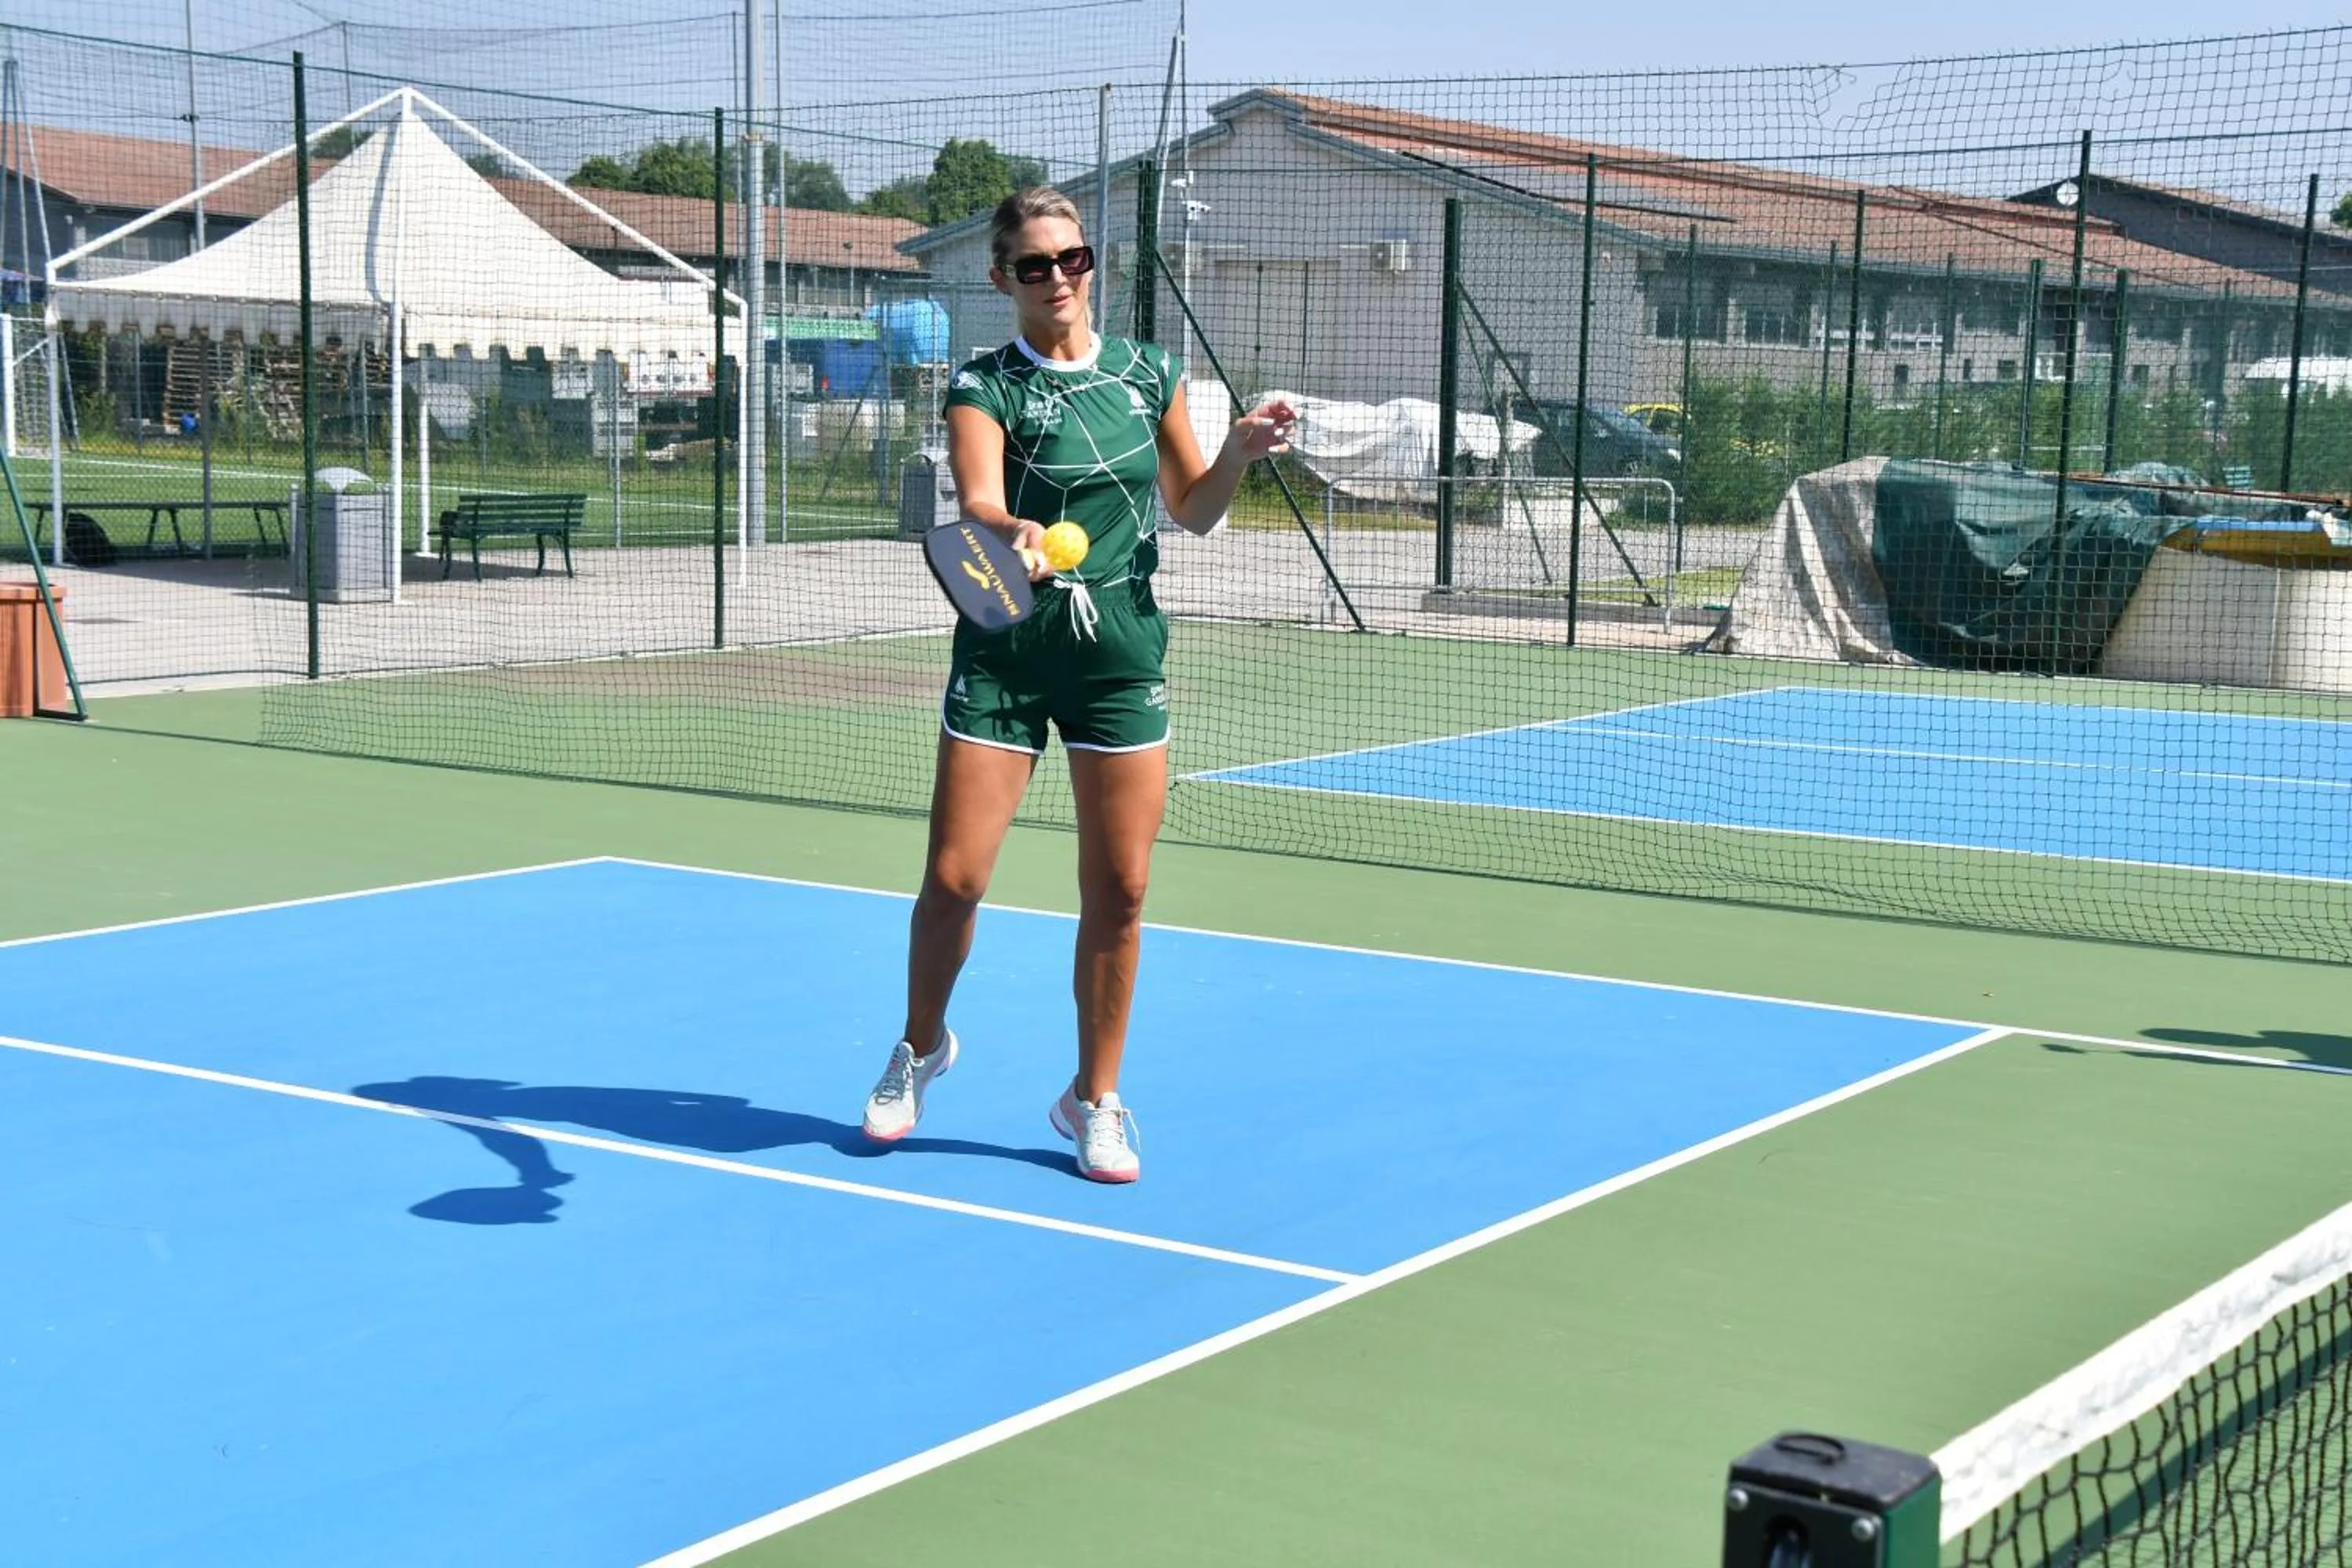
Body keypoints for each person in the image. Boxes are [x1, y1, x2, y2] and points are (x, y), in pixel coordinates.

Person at [858, 186, 1295, 1182]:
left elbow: (1192, 509)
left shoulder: (1149, 374)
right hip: (1007, 651)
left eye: (1072, 258)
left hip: (1119, 655)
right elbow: (976, 499)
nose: (1057, 278)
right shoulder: (984, 383)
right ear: (1001, 277)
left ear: (1091, 265)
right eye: (1033, 264)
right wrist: (1009, 532)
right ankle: (922, 1045)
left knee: (1123, 889)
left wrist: (1237, 451)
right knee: (957, 878)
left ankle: (1094, 1098)